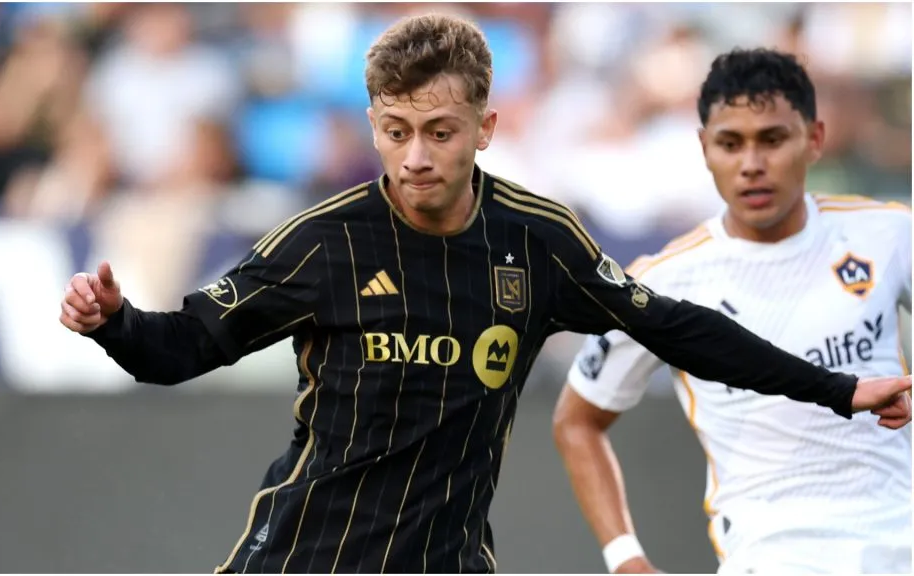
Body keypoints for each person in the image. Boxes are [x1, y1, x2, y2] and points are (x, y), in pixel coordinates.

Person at [60, 17, 911, 573]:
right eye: (396, 132)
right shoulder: (324, 243)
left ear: (486, 129)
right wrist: (115, 323)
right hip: (307, 557)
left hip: (449, 561)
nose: (416, 156)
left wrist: (836, 391)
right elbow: (181, 350)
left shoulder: (537, 241)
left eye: (439, 132)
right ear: (373, 127)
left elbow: (680, 330)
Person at [554, 48, 913, 575]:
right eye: (730, 143)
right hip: (768, 558)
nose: (751, 164)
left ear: (814, 138)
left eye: (772, 139)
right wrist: (624, 557)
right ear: (704, 148)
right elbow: (576, 421)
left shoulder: (888, 233)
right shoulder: (664, 281)